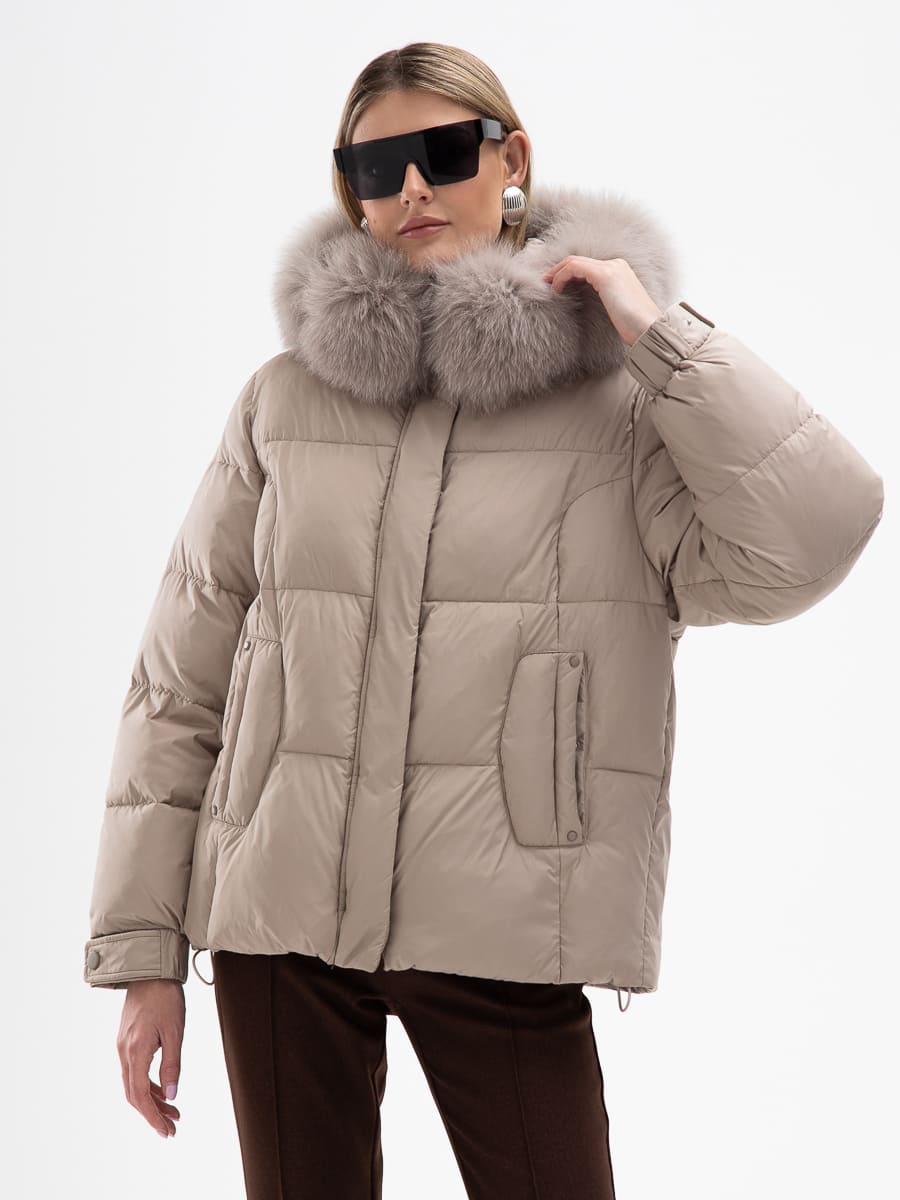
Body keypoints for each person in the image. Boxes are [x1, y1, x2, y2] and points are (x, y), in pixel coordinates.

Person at [82, 40, 884, 1200]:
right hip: (276, 925)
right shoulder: (283, 401)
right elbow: (180, 677)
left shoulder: (620, 409)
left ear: (510, 161)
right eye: (378, 167)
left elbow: (816, 533)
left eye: (445, 152)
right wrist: (144, 954)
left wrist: (658, 336)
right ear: (352, 192)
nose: (413, 187)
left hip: (507, 924)